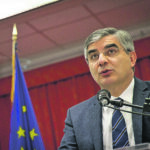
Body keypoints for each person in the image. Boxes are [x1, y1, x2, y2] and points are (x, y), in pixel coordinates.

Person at [58, 27, 150, 150]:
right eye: (94, 56)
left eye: (111, 51)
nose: (101, 61)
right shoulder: (77, 116)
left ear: (131, 58)